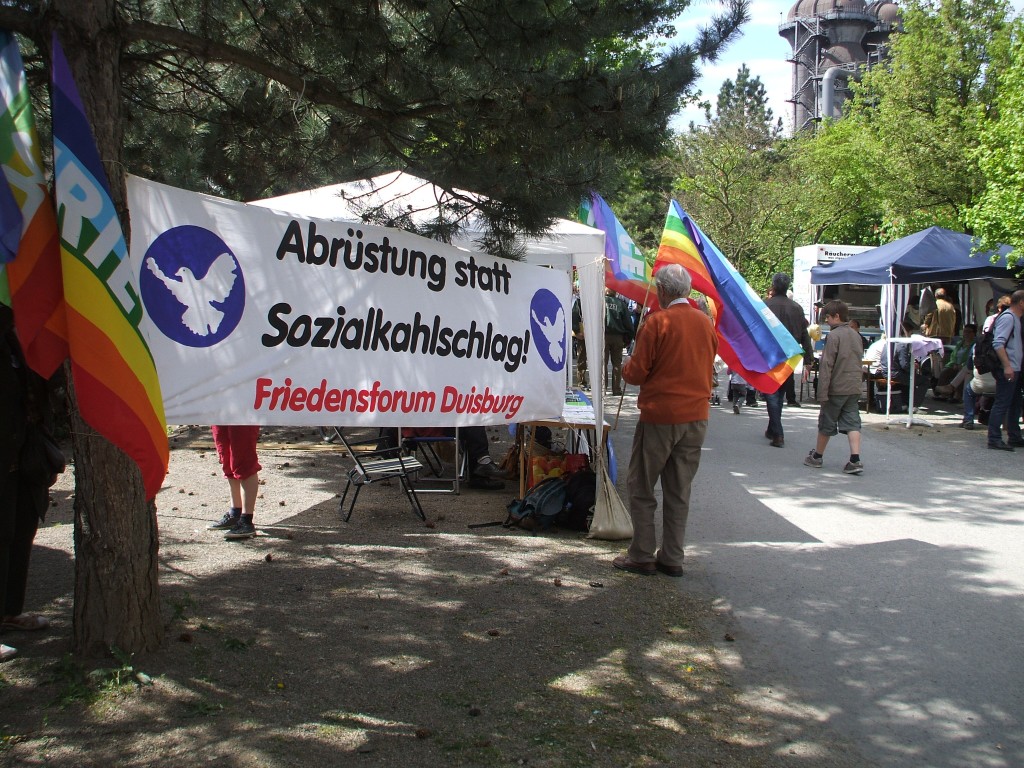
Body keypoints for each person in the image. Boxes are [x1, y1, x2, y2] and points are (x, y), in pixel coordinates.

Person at [612, 264, 718, 577]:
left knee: (641, 485)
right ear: (687, 290)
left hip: (660, 415)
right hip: (696, 417)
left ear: (662, 290)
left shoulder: (657, 322)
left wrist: (626, 366)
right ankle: (672, 556)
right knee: (679, 489)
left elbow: (636, 373)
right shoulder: (705, 323)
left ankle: (642, 553)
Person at [0, 306, 58, 662]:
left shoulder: (16, 340)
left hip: (24, 458)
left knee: (20, 533)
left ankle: (9, 611)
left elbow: (44, 386)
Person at [803, 300, 865, 474]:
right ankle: (855, 459)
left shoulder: (833, 336)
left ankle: (817, 456)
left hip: (836, 387)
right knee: (853, 423)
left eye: (828, 317)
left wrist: (822, 393)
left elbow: (827, 365)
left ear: (837, 316)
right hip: (854, 386)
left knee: (827, 423)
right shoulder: (856, 335)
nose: (826, 320)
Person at [763, 273, 814, 447]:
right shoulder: (796, 308)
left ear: (773, 286)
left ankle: (777, 433)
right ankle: (772, 428)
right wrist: (808, 358)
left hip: (770, 353)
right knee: (780, 392)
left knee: (771, 391)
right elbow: (804, 334)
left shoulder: (766, 305)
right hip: (790, 354)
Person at [207, 425, 262, 538]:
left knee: (245, 461)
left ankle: (246, 520)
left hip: (243, 417)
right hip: (219, 415)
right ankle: (235, 513)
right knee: (226, 456)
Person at [986, 289, 1024, 451]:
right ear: (1021, 303)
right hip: (1008, 368)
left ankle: (1014, 436)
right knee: (1002, 403)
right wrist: (1007, 366)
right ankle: (994, 438)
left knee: (1015, 402)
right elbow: (998, 343)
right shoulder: (1008, 318)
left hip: (1015, 367)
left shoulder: (1015, 318)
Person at [603, 288, 633, 396]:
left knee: (603, 363)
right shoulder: (621, 304)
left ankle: (603, 388)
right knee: (617, 363)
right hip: (618, 337)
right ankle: (616, 389)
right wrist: (628, 339)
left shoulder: (601, 302)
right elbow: (628, 323)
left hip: (604, 336)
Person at [570, 289, 588, 389]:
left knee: (583, 358)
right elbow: (574, 316)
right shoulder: (579, 302)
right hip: (583, 333)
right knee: (582, 358)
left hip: (594, 334)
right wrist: (577, 332)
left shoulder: (600, 301)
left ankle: (585, 381)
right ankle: (582, 381)